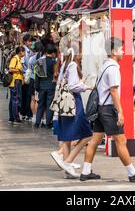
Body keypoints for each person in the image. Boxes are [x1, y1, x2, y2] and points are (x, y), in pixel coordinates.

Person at [80, 37, 135, 183]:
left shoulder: (104, 65)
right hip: (108, 110)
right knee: (121, 140)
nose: (123, 51)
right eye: (121, 49)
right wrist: (120, 112)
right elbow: (113, 91)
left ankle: (85, 172)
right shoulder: (113, 68)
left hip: (100, 108)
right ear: (113, 51)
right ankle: (132, 173)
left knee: (95, 140)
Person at [51, 48, 93, 178]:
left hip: (64, 105)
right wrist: (87, 86)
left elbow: (62, 85)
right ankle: (68, 161)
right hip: (73, 103)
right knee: (87, 134)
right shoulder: (73, 65)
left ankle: (67, 170)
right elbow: (74, 86)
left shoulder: (65, 65)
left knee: (68, 137)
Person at [35, 43, 58, 129]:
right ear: (52, 53)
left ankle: (37, 123)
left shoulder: (39, 62)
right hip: (51, 86)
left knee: (40, 105)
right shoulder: (54, 62)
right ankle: (48, 123)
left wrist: (36, 86)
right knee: (49, 105)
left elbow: (37, 76)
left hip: (41, 86)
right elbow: (56, 75)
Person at [8, 46, 25, 124]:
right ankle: (16, 118)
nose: (24, 53)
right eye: (23, 51)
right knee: (16, 99)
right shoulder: (15, 59)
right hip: (15, 81)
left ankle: (12, 117)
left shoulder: (18, 59)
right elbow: (10, 69)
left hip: (17, 81)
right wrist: (19, 70)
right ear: (20, 52)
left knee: (13, 100)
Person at [29, 41, 43, 125]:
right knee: (38, 100)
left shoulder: (31, 58)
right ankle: (38, 117)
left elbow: (29, 69)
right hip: (38, 79)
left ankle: (34, 116)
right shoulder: (41, 58)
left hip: (31, 79)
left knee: (33, 99)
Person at [21, 34, 34, 121]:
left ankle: (25, 113)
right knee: (26, 95)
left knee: (26, 95)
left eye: (31, 41)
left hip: (27, 75)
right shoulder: (24, 51)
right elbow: (25, 64)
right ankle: (25, 113)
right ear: (25, 41)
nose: (30, 43)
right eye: (29, 41)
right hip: (26, 75)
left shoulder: (29, 51)